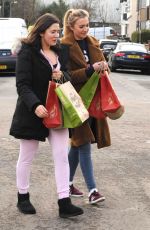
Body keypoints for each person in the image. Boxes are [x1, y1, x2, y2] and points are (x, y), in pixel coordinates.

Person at [9, 13, 83, 218]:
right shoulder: (27, 52)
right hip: (33, 112)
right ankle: (23, 197)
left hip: (58, 112)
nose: (57, 36)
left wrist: (62, 76)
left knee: (61, 156)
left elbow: (67, 77)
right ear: (41, 32)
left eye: (58, 32)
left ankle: (64, 202)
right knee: (26, 156)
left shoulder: (61, 52)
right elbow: (22, 84)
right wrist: (35, 105)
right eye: (53, 32)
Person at [61, 9, 111, 204]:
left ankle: (67, 184)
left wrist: (105, 68)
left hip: (93, 101)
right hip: (75, 101)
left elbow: (104, 66)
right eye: (81, 26)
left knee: (77, 144)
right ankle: (93, 191)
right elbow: (67, 77)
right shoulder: (64, 46)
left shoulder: (93, 43)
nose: (85, 29)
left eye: (87, 25)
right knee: (83, 143)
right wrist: (90, 69)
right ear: (71, 27)